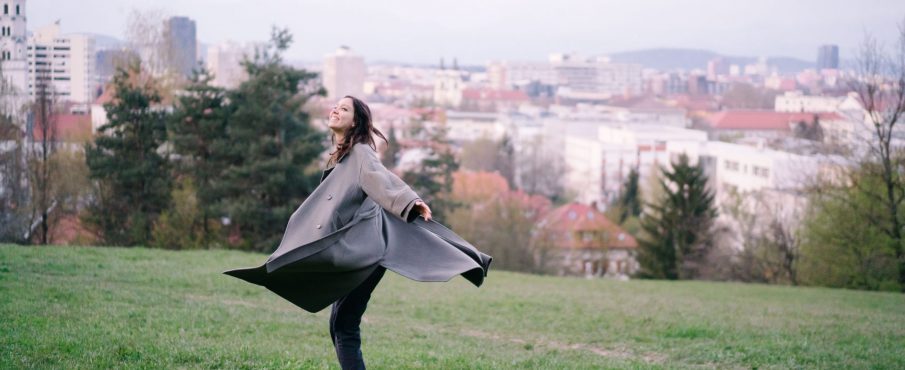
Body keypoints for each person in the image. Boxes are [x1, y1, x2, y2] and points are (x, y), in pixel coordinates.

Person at [224, 96, 492, 370]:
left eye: (344, 109)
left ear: (355, 122)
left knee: (344, 327)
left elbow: (381, 178)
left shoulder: (361, 153)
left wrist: (411, 201)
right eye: (335, 106)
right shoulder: (342, 157)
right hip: (356, 250)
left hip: (367, 254)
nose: (335, 110)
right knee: (340, 325)